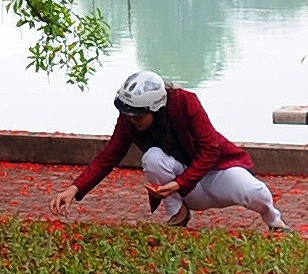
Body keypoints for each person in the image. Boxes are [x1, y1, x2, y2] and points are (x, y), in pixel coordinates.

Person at [50, 70, 290, 231]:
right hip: (184, 184)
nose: (131, 119)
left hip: (215, 172)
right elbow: (110, 155)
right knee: (152, 158)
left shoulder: (185, 102)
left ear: (155, 107)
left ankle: (275, 222)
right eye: (128, 113)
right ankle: (178, 213)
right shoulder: (129, 117)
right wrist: (74, 189)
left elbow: (211, 150)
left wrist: (180, 183)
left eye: (138, 115)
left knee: (255, 191)